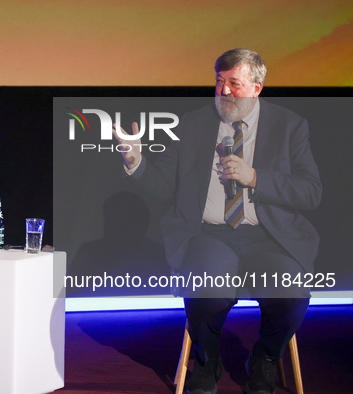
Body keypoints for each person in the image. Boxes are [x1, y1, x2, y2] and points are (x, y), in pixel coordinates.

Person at [115, 49, 321, 394]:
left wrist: (255, 176)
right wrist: (136, 160)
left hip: (267, 236)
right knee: (206, 288)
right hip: (208, 234)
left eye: (234, 84)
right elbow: (164, 187)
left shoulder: (289, 126)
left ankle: (265, 358)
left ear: (257, 87)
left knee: (291, 293)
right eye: (219, 82)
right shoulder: (194, 124)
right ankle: (207, 360)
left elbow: (310, 192)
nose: (224, 92)